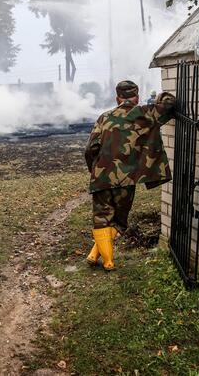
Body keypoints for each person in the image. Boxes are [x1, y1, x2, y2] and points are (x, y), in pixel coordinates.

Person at [84, 80, 176, 270]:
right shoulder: (145, 114)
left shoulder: (104, 118)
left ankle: (99, 256)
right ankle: (106, 260)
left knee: (102, 216)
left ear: (117, 98)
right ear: (137, 97)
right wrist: (158, 99)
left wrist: (94, 169)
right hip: (127, 178)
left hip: (102, 177)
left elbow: (90, 148)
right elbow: (170, 102)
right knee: (118, 220)